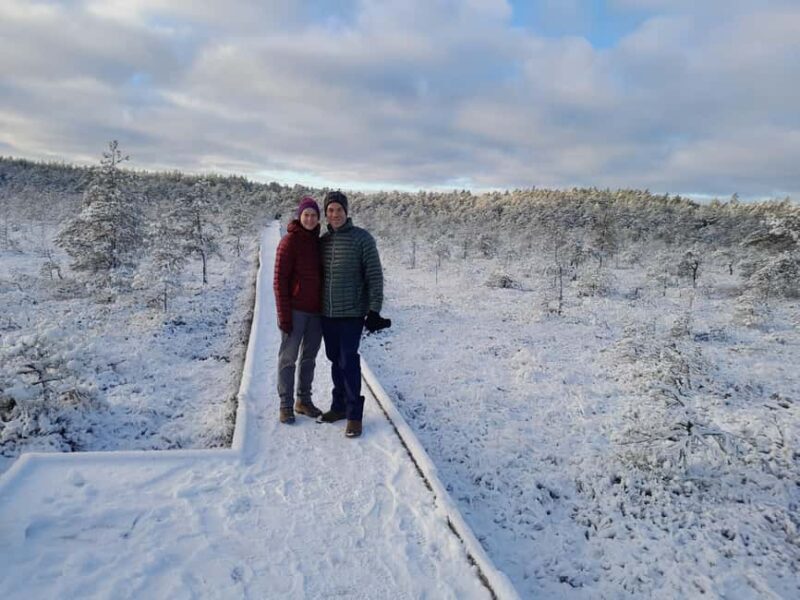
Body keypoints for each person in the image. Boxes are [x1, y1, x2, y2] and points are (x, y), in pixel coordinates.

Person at [317, 190, 390, 438]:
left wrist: (374, 310)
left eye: (338, 209)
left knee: (348, 360)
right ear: (326, 213)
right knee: (334, 359)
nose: (335, 214)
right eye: (330, 210)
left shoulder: (362, 239)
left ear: (346, 212)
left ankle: (354, 415)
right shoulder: (324, 241)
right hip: (327, 313)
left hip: (352, 313)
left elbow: (374, 276)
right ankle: (338, 407)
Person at [273, 196, 324, 424]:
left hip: (316, 312)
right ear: (299, 216)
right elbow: (279, 281)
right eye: (306, 215)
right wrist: (284, 315)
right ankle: (285, 404)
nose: (310, 219)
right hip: (294, 311)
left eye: (314, 215)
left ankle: (303, 400)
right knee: (288, 358)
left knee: (309, 359)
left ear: (318, 218)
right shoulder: (288, 242)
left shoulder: (319, 242)